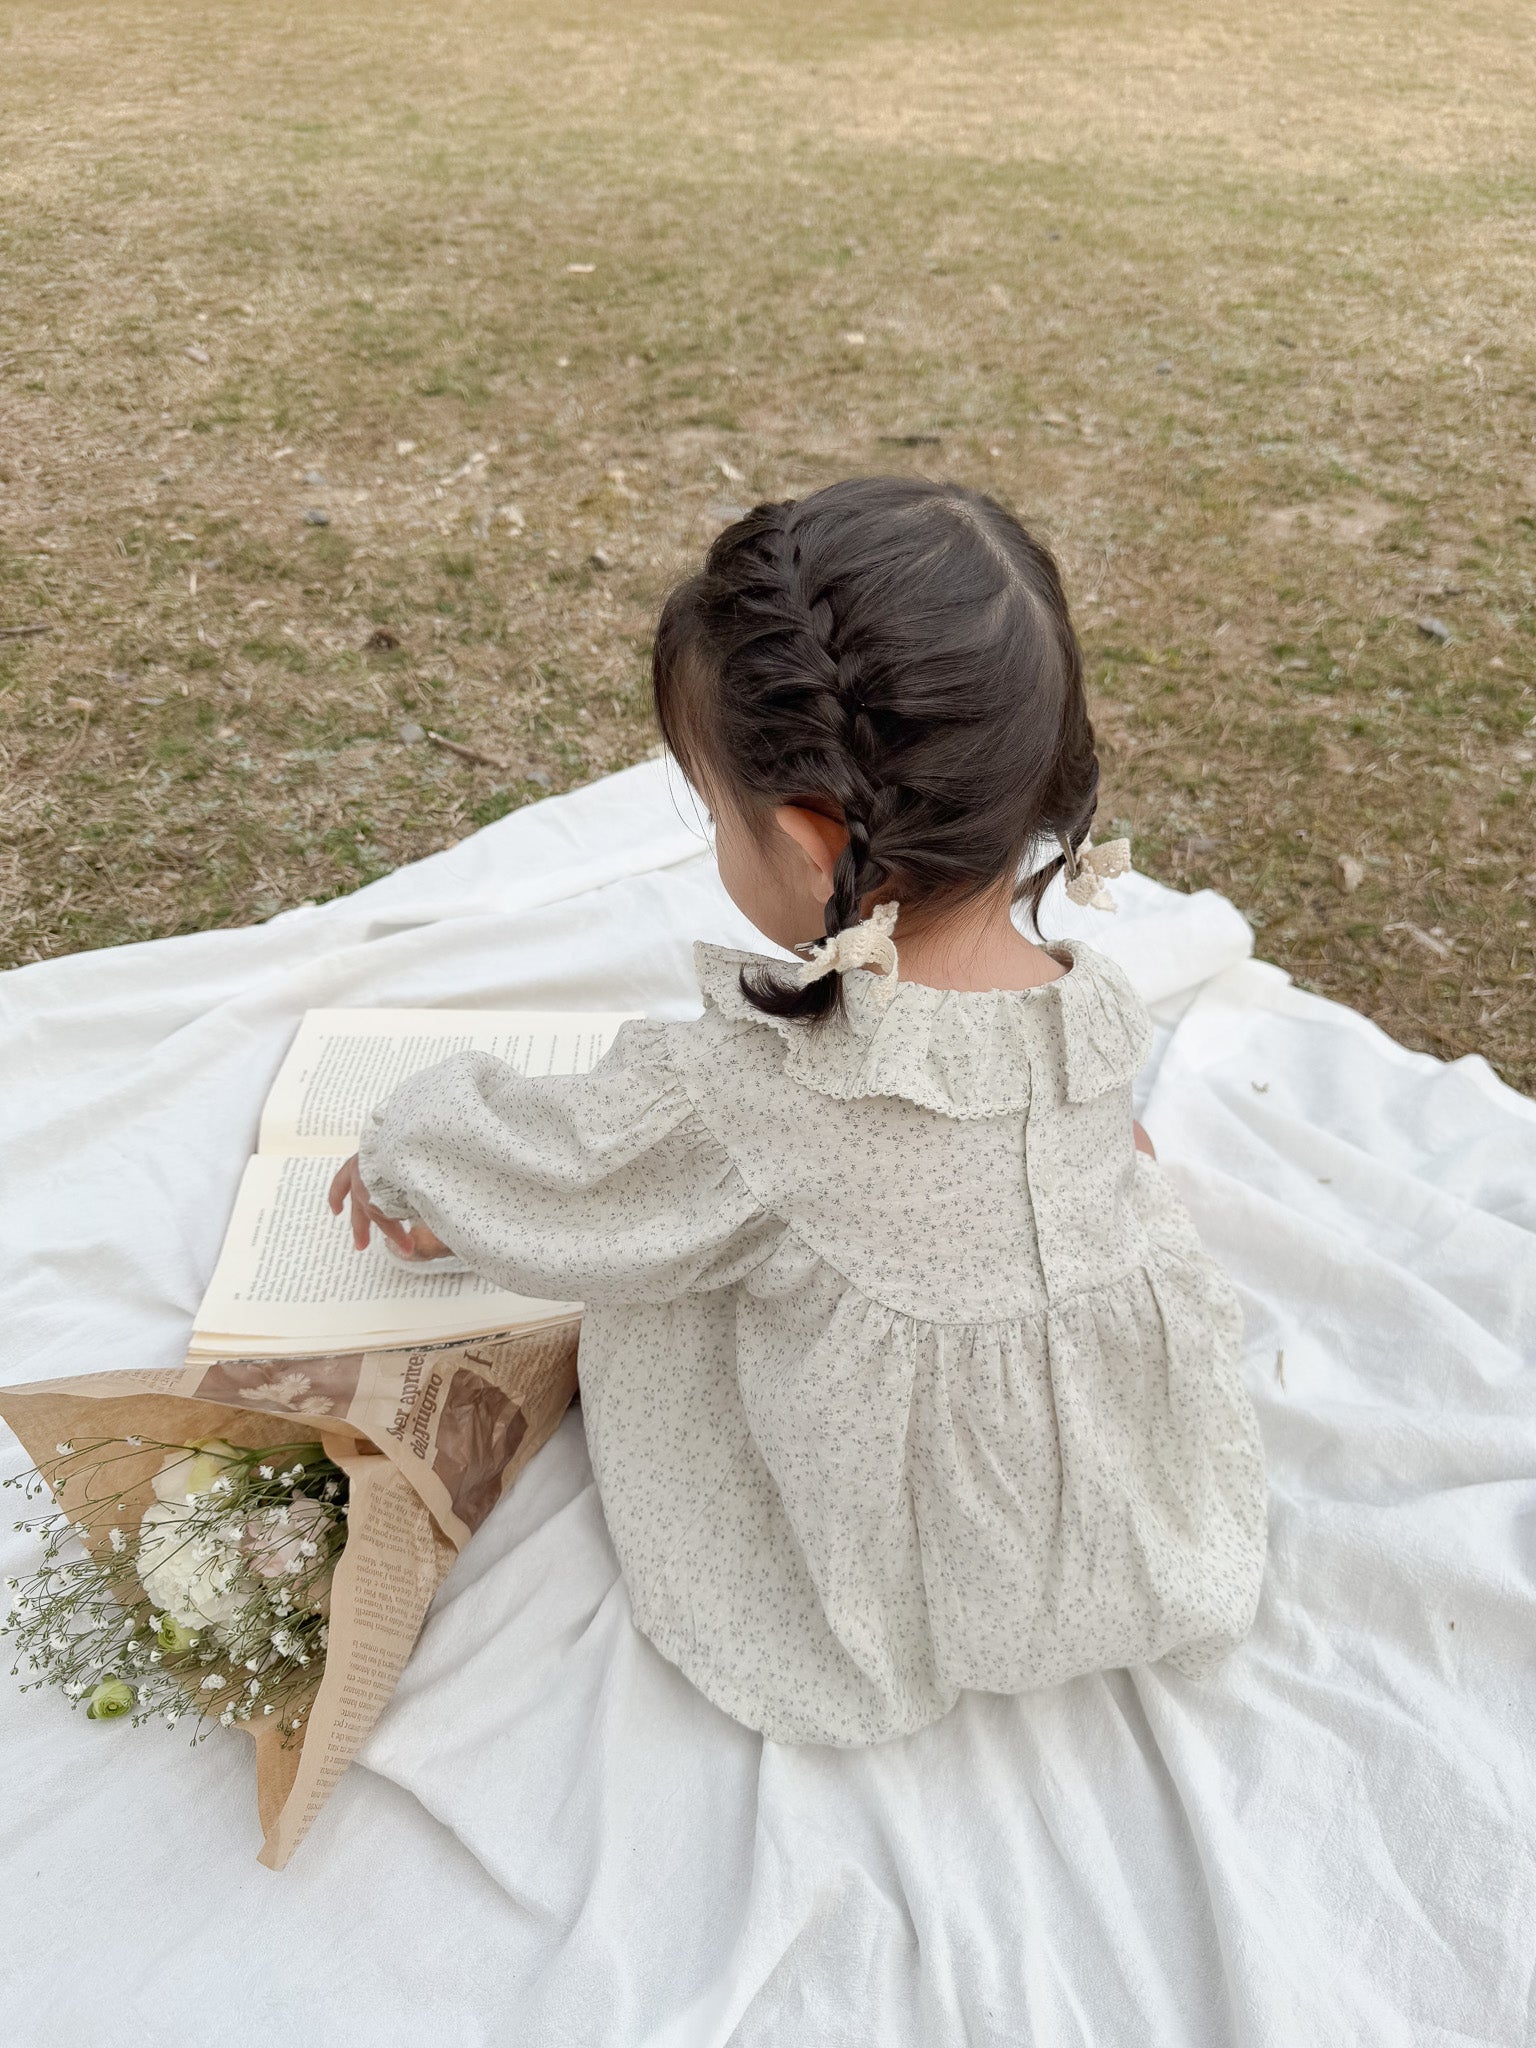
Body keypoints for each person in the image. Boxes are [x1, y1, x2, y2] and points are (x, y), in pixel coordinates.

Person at [328, 477, 1267, 1744]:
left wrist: (409, 1154)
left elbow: (566, 1175)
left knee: (678, 1289)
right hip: (1132, 1528)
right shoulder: (1090, 1004)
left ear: (811, 840)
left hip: (901, 1578)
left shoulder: (756, 1089)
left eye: (713, 812)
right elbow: (1109, 1149)